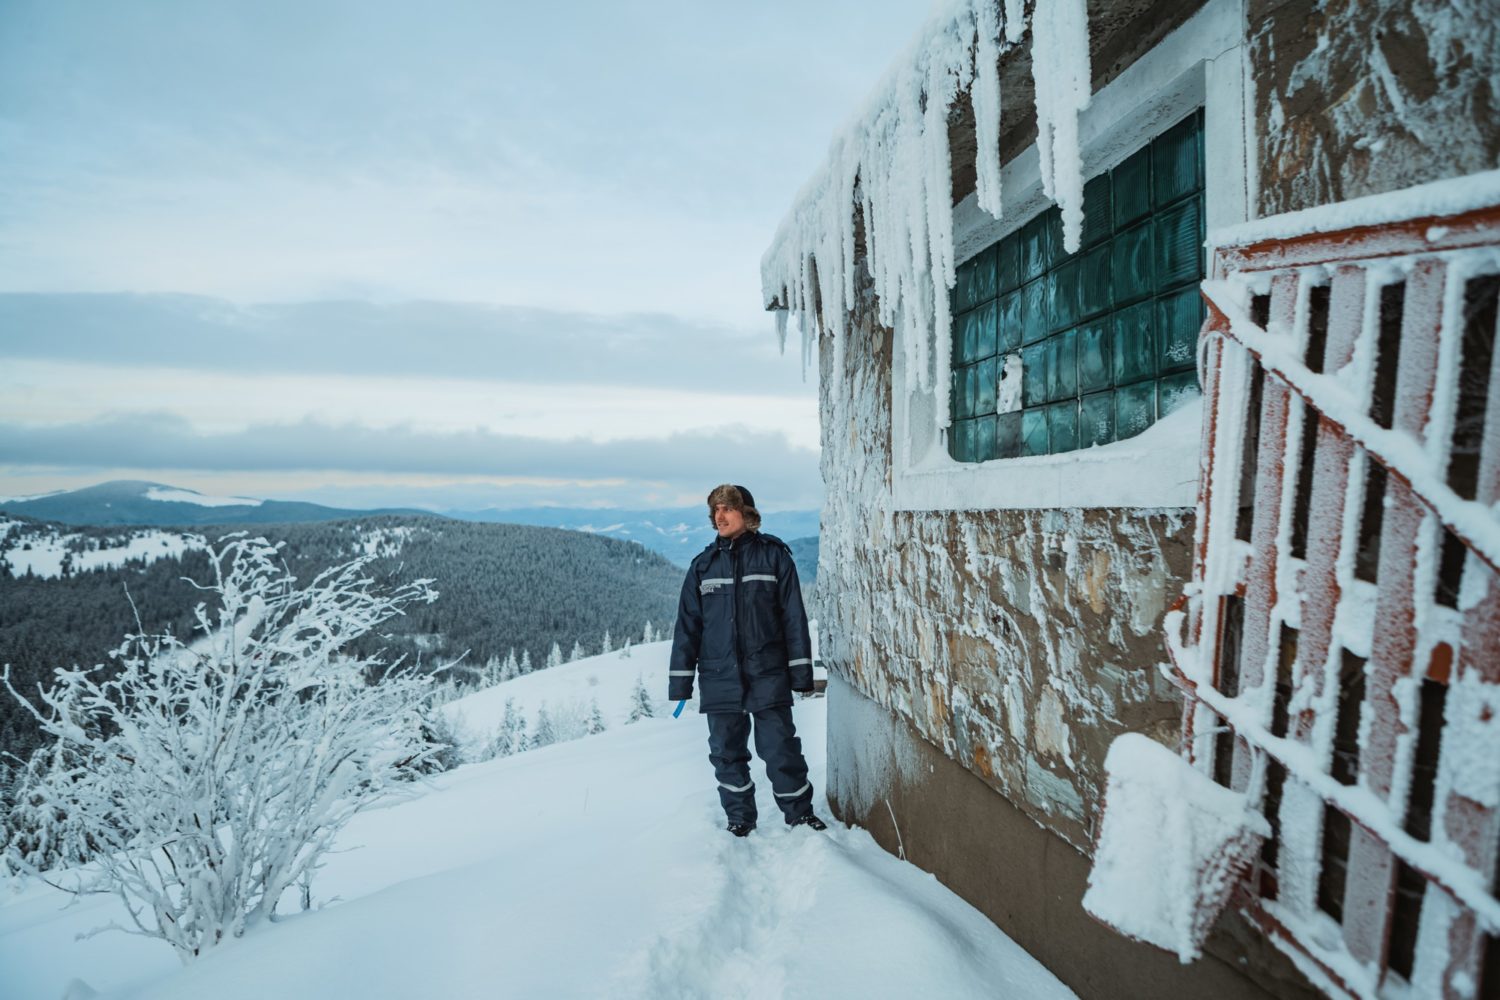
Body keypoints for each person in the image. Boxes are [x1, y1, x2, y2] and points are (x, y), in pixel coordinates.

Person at [668, 484, 827, 836]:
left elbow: (793, 619)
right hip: (719, 677)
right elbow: (687, 629)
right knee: (726, 753)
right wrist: (680, 683)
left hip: (767, 673)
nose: (719, 516)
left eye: (727, 508)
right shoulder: (703, 567)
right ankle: (739, 818)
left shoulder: (774, 557)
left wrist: (800, 673)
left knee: (781, 748)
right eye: (715, 510)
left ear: (747, 514)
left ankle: (799, 814)